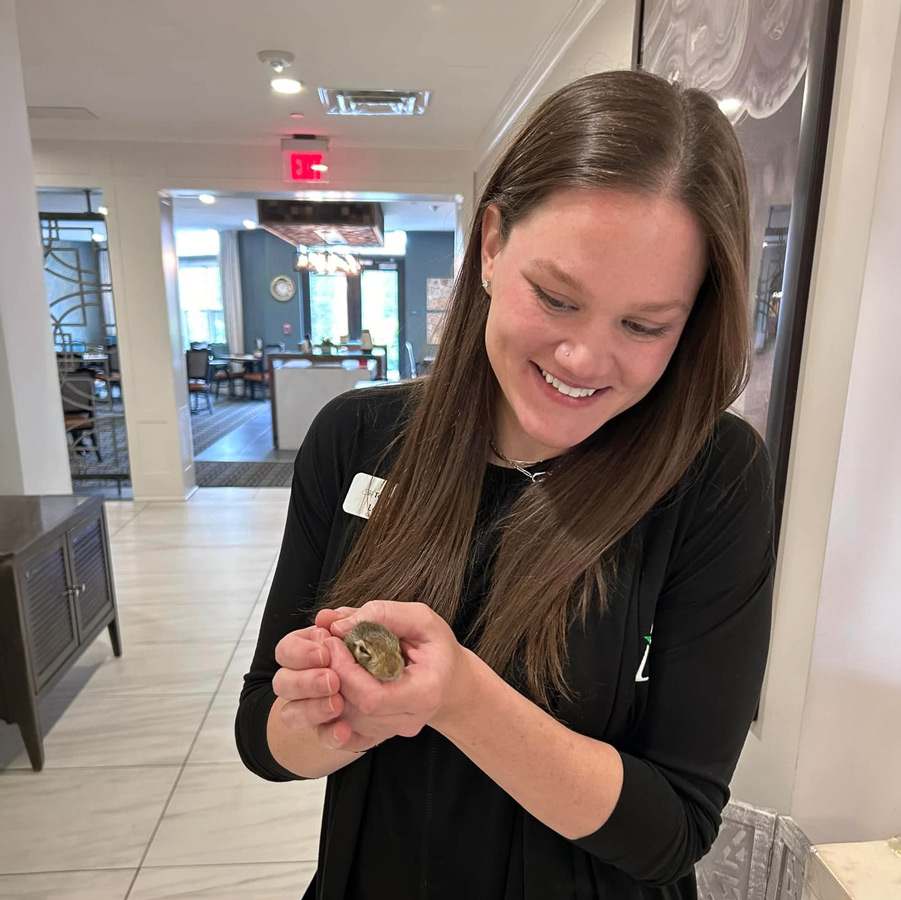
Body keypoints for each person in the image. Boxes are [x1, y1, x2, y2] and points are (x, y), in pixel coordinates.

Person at [236, 69, 774, 900]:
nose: (583, 360)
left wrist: (459, 699)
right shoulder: (358, 436)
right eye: (556, 298)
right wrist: (326, 711)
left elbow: (672, 830)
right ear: (491, 247)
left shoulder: (713, 478)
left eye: (643, 325)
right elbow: (263, 744)